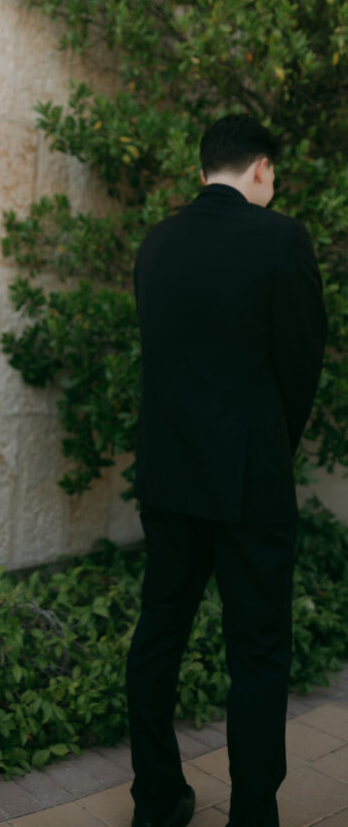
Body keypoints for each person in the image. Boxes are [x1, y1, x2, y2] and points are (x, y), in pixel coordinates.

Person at [126, 113, 327, 827]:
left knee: (158, 635)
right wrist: (272, 441)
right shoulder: (281, 239)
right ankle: (251, 814)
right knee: (258, 651)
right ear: (262, 170)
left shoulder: (157, 244)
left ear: (200, 170)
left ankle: (154, 799)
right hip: (250, 480)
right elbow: (301, 365)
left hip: (168, 476)